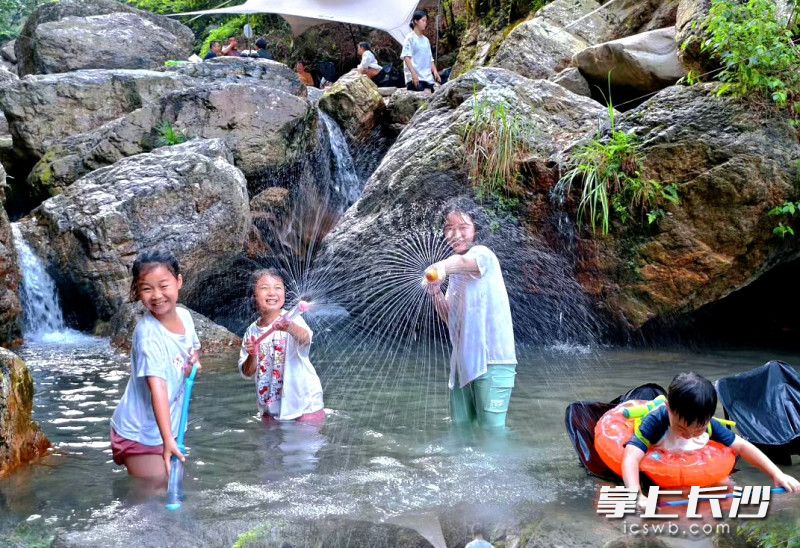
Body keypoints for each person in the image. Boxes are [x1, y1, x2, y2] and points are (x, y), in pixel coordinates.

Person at [622, 372, 800, 509]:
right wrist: (636, 495)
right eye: (682, 428)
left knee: (725, 485)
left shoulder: (709, 424)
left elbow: (743, 446)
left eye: (698, 430)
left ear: (708, 417)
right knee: (669, 497)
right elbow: (631, 456)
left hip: (689, 465)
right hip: (659, 466)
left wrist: (777, 474)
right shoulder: (655, 421)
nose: (690, 434)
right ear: (669, 409)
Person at [110, 249, 201, 483]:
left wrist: (191, 363)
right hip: (140, 433)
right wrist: (168, 440)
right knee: (153, 499)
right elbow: (157, 388)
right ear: (138, 291)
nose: (157, 295)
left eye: (163, 285)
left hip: (162, 429)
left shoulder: (185, 317)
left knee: (171, 489)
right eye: (147, 289)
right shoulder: (149, 334)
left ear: (178, 282)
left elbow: (192, 350)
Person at [423, 202, 517, 428]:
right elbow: (448, 318)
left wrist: (441, 268)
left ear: (475, 230)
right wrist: (435, 293)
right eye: (449, 228)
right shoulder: (455, 274)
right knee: (459, 429)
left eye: (463, 227)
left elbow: (461, 262)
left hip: (493, 362)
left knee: (493, 433)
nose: (455, 234)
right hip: (463, 365)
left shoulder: (483, 255)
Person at [239, 268, 324, 423]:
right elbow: (247, 372)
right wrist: (252, 354)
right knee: (269, 447)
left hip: (304, 407)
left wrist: (289, 327)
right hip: (271, 411)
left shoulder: (292, 318)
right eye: (265, 288)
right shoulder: (251, 331)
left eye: (278, 288)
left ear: (284, 294)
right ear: (254, 296)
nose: (272, 293)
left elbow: (305, 338)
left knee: (307, 446)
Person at [401, 9, 441, 93]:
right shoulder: (409, 38)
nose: (425, 23)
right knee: (426, 98)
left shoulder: (426, 40)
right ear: (416, 21)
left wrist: (435, 71)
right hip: (415, 78)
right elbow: (406, 57)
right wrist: (413, 74)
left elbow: (430, 58)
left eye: (426, 21)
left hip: (427, 78)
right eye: (423, 20)